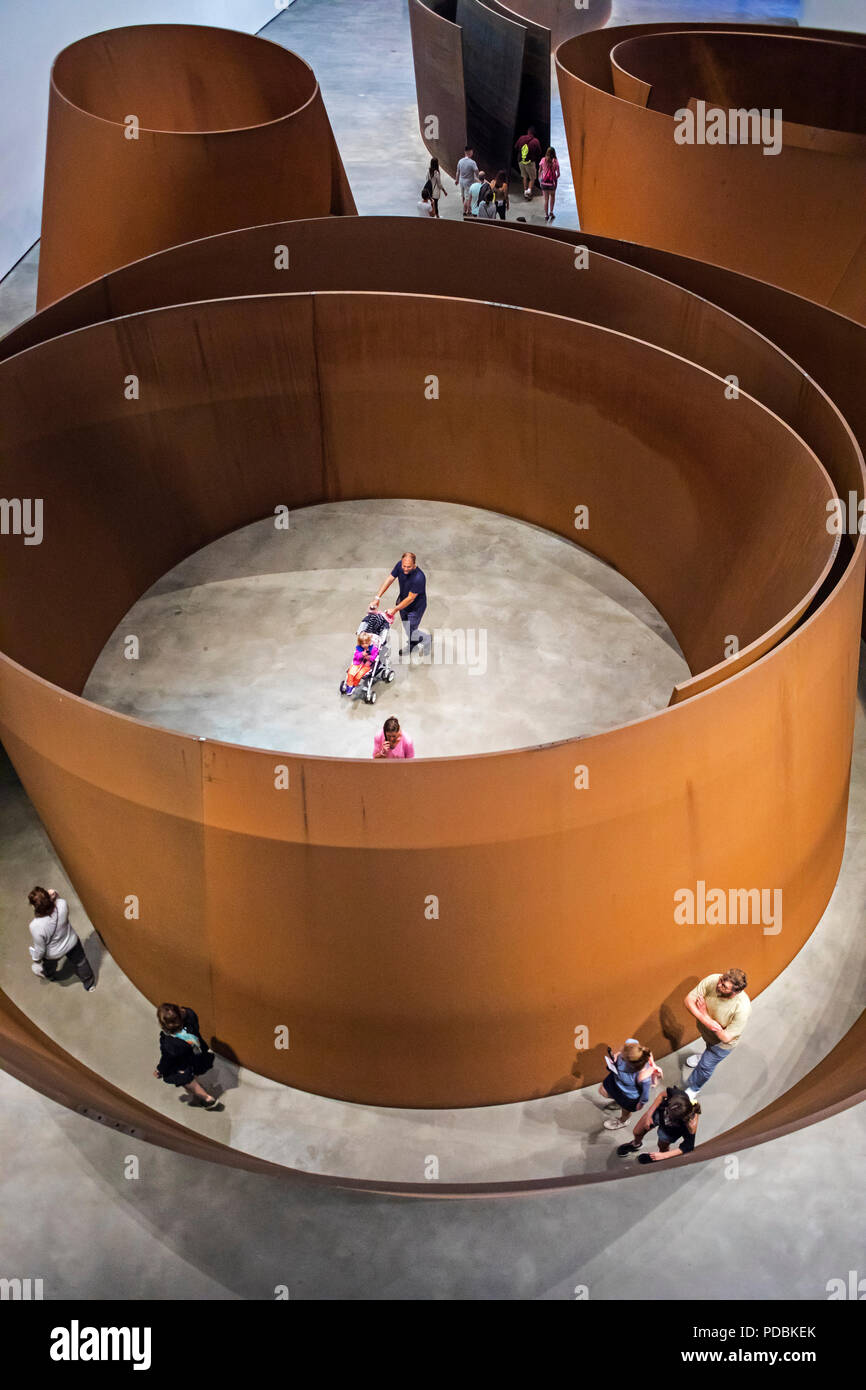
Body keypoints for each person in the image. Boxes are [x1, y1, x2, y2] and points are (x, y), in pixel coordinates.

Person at [683, 968, 751, 1097]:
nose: (718, 985)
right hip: (708, 1034)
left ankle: (694, 1088)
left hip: (721, 1045)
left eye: (724, 986)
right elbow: (688, 1000)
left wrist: (704, 1015)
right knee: (707, 1047)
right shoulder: (713, 980)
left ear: (735, 992)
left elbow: (725, 1037)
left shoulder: (742, 1008)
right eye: (721, 980)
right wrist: (704, 1020)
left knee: (705, 1067)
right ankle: (702, 1057)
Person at [27, 886, 95, 992]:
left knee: (49, 964)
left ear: (34, 906)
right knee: (81, 962)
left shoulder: (35, 926)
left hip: (54, 953)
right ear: (48, 897)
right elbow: (58, 900)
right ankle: (89, 984)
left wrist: (36, 959)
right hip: (72, 941)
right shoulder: (62, 904)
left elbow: (40, 949)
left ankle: (49, 975)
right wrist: (55, 894)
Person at [153, 1003, 221, 1109]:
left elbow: (167, 1060)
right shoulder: (190, 1016)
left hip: (185, 1063)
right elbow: (187, 1012)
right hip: (198, 1053)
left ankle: (207, 1099)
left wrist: (160, 1070)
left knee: (186, 1080)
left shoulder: (170, 1043)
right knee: (195, 1070)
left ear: (163, 1024)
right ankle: (195, 1075)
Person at [617, 1086, 701, 1162]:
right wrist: (649, 1114)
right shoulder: (679, 1096)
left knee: (662, 1146)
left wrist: (663, 1156)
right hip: (658, 1115)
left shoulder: (689, 1125)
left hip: (670, 1131)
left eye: (669, 1115)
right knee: (637, 1132)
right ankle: (636, 1144)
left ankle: (658, 1157)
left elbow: (688, 1146)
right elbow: (662, 1095)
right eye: (668, 1109)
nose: (667, 1114)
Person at [370, 551, 428, 655]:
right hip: (402, 602)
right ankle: (414, 637)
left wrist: (395, 609)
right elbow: (390, 579)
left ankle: (414, 642)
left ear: (414, 564)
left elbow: (410, 598)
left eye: (408, 567)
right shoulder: (399, 565)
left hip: (415, 608)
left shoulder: (419, 577)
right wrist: (377, 598)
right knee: (407, 626)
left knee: (411, 628)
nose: (405, 569)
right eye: (404, 566)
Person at [598, 1038, 662, 1130]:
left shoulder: (643, 1077)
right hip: (616, 1081)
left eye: (623, 1055)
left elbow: (645, 1095)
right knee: (603, 1091)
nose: (620, 1051)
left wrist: (640, 1103)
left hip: (629, 1096)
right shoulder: (631, 1045)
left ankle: (623, 1121)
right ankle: (618, 1101)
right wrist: (613, 1063)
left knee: (625, 1111)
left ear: (631, 1064)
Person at [514, 126, 542, 199]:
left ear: (528, 132)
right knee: (532, 178)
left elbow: (516, 147)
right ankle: (529, 192)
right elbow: (539, 152)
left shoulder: (521, 138)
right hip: (530, 162)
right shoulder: (536, 141)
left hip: (520, 160)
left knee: (524, 176)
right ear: (534, 133)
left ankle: (525, 191)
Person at [455, 146, 479, 214]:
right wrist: (477, 177)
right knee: (467, 198)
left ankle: (466, 207)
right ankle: (466, 211)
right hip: (468, 182)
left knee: (463, 196)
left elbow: (457, 172)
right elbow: (476, 170)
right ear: (470, 152)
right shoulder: (472, 162)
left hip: (461, 181)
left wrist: (456, 180)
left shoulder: (460, 161)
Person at [539, 147, 560, 221]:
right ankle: (551, 212)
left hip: (544, 183)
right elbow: (558, 174)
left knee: (546, 200)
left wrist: (541, 179)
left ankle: (546, 215)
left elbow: (540, 171)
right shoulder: (555, 161)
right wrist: (554, 179)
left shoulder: (543, 160)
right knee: (552, 197)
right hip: (552, 184)